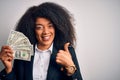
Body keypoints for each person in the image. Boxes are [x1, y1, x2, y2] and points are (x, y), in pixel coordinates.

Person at [0, 2, 83, 80]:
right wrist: (9, 69)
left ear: (57, 27)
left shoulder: (67, 51)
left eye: (50, 26)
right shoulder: (23, 52)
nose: (46, 32)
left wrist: (70, 68)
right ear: (33, 29)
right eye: (39, 27)